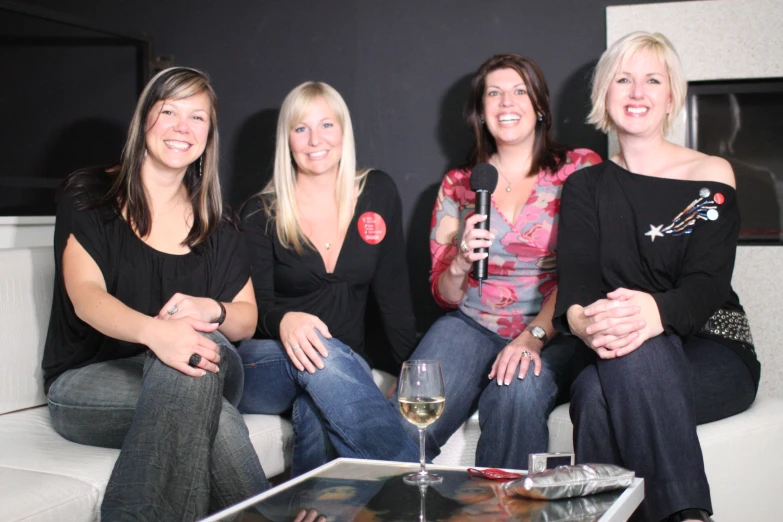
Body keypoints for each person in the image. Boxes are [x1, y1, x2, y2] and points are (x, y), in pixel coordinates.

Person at [42, 67, 268, 521]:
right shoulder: (91, 196)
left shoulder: (219, 224)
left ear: (210, 133)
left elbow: (246, 318)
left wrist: (213, 309)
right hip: (89, 380)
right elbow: (86, 296)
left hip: (201, 367)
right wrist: (157, 335)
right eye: (169, 111)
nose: (183, 127)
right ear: (145, 119)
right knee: (210, 408)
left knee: (196, 355)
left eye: (197, 117)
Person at [553, 32, 760, 522]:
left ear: (671, 96)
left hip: (713, 345)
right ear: (605, 93)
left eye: (652, 79)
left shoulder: (711, 173)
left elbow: (707, 285)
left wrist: (653, 313)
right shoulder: (585, 186)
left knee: (601, 385)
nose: (637, 92)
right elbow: (577, 291)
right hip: (618, 342)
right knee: (596, 387)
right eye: (623, 79)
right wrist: (588, 326)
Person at [395, 53, 601, 468]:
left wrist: (532, 337)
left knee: (516, 390)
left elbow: (588, 271)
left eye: (519, 91)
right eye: (494, 93)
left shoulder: (578, 169)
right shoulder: (459, 185)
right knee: (414, 402)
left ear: (540, 106)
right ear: (481, 112)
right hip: (471, 321)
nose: (507, 103)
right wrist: (460, 261)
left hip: (553, 328)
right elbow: (445, 295)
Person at [238, 81, 419, 476]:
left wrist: (413, 374)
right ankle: (415, 482)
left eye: (326, 125)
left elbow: (395, 297)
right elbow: (253, 310)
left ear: (343, 132)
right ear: (286, 139)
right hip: (268, 363)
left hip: (339, 366)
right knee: (321, 352)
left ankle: (319, 509)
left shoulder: (376, 192)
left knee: (317, 407)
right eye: (300, 128)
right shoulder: (260, 212)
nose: (314, 139)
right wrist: (285, 320)